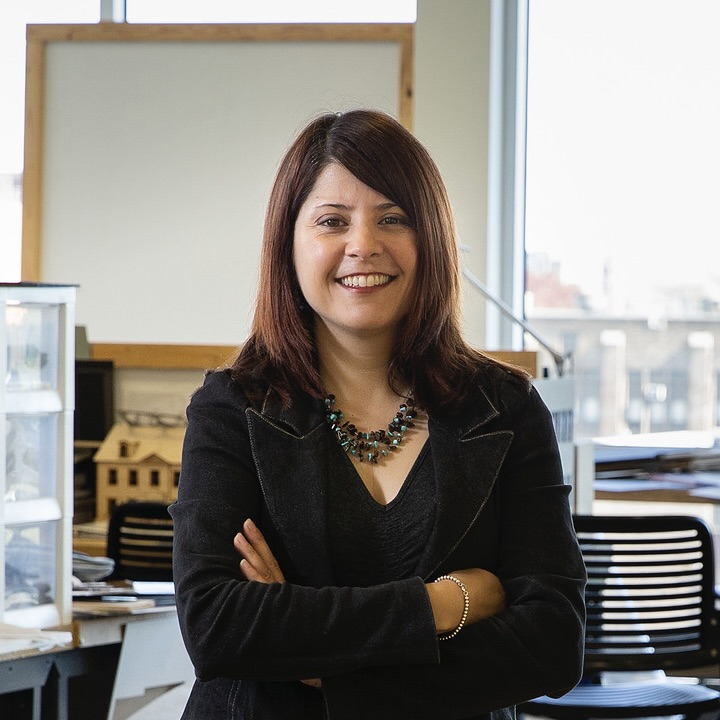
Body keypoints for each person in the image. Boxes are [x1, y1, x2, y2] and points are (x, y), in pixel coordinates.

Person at [170, 109, 586, 720]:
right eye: (332, 221)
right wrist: (444, 605)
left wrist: (324, 666)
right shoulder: (234, 408)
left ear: (432, 240)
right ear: (289, 243)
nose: (363, 245)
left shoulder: (506, 408)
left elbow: (552, 643)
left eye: (393, 218)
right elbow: (218, 627)